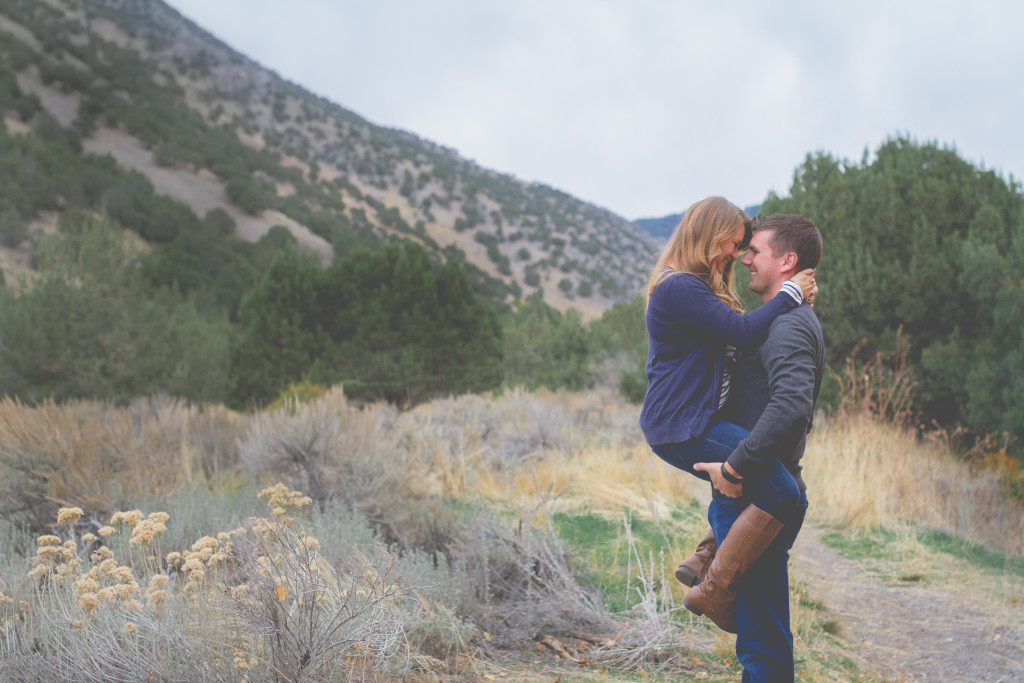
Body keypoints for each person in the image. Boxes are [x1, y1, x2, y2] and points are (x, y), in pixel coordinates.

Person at [638, 197, 816, 623]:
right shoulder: (679, 285)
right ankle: (714, 591)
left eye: (743, 246)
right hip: (680, 425)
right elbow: (741, 330)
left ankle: (706, 558)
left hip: (695, 421)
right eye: (733, 244)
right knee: (782, 491)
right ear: (709, 235)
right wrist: (789, 293)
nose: (735, 255)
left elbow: (743, 342)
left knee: (779, 486)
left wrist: (794, 306)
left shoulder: (696, 287)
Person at [684, 213, 825, 682]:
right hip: (752, 489)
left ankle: (713, 578)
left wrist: (736, 467)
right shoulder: (777, 319)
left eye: (755, 250)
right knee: (760, 632)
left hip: (758, 493)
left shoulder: (790, 327)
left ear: (787, 261)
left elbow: (790, 408)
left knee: (761, 639)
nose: (745, 258)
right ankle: (710, 564)